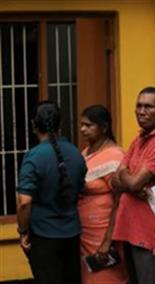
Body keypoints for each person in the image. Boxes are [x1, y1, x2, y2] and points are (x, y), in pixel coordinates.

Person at [111, 87, 155, 284]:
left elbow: (131, 182)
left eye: (148, 107)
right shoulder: (140, 139)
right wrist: (129, 181)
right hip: (131, 229)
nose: (141, 111)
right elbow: (115, 180)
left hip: (151, 233)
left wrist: (128, 178)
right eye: (139, 106)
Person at [16, 101, 87, 284]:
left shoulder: (34, 156)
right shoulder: (76, 154)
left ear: (34, 125)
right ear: (60, 124)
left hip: (43, 236)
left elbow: (24, 202)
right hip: (72, 234)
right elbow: (80, 190)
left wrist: (23, 232)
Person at [78, 105, 128, 284]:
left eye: (89, 125)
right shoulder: (86, 152)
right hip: (85, 235)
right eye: (82, 124)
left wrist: (108, 241)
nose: (83, 129)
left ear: (104, 128)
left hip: (104, 235)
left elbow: (120, 201)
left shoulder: (115, 156)